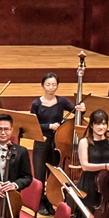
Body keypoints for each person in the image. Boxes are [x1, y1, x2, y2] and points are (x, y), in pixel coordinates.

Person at [30, 71, 76, 209]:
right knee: (39, 174)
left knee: (53, 175)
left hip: (57, 143)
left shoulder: (62, 101)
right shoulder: (36, 104)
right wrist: (48, 126)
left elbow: (76, 113)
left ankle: (51, 202)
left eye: (54, 85)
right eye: (48, 84)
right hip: (41, 141)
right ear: (42, 85)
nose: (51, 87)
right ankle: (39, 203)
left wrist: (81, 109)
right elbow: (33, 123)